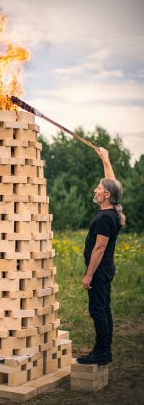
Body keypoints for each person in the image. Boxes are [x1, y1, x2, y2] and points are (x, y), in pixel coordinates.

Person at [77, 147, 126, 365]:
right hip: (105, 270)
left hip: (100, 271)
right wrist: (105, 159)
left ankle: (102, 353)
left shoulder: (106, 217)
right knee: (103, 309)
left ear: (106, 195)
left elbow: (99, 249)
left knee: (98, 310)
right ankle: (103, 350)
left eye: (98, 189)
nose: (95, 191)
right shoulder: (113, 208)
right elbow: (111, 182)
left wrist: (88, 276)